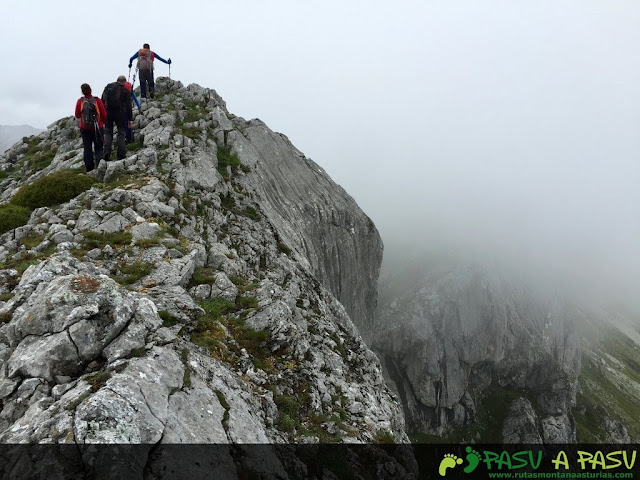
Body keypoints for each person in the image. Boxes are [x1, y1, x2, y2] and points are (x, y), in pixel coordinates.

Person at [74, 83, 107, 172]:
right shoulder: (97, 100)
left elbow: (77, 115)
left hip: (85, 128)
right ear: (90, 90)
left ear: (82, 92)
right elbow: (104, 114)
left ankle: (89, 169)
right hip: (98, 127)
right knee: (99, 148)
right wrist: (102, 123)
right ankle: (101, 167)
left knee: (87, 149)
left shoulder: (80, 101)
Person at [101, 75, 133, 161]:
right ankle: (121, 154)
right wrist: (130, 119)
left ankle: (106, 153)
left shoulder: (108, 87)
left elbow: (102, 99)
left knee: (108, 133)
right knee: (121, 133)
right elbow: (129, 106)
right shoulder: (125, 91)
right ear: (124, 82)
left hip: (108, 112)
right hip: (120, 113)